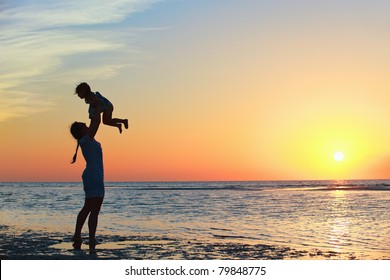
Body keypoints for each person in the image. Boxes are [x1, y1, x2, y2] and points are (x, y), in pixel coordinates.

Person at [70, 113, 104, 253]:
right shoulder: (85, 140)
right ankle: (77, 235)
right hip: (92, 176)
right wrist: (97, 109)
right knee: (88, 206)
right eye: (84, 125)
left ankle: (91, 238)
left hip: (97, 176)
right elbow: (96, 122)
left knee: (95, 210)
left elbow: (95, 123)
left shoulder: (89, 139)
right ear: (81, 131)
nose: (86, 124)